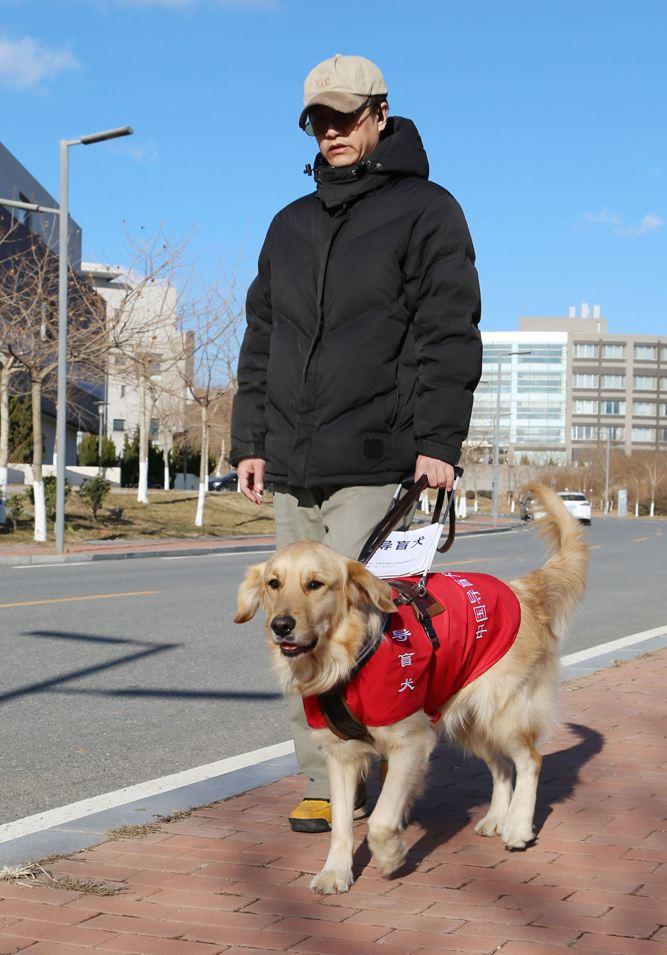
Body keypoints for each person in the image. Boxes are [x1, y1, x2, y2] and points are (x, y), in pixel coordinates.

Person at [230, 53, 482, 832]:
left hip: (379, 460)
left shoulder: (427, 210)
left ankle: (387, 749)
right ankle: (326, 775)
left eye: (345, 116)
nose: (331, 131)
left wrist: (439, 438)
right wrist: (251, 440)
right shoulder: (289, 223)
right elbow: (261, 336)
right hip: (293, 464)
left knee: (370, 626)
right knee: (295, 626)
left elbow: (448, 327)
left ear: (379, 113)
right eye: (318, 120)